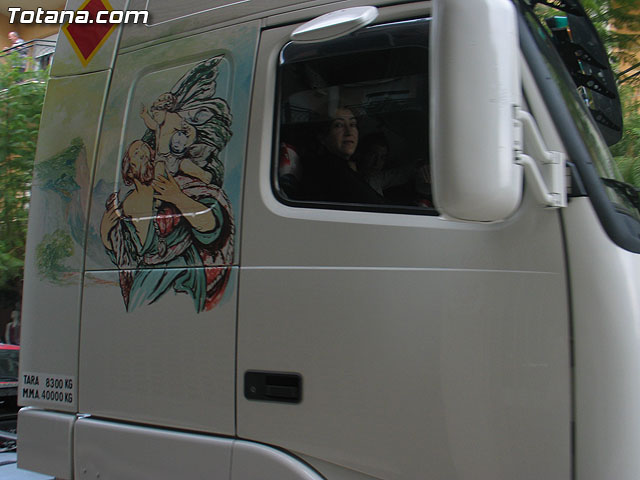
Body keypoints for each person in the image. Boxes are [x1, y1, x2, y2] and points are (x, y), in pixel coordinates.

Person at [100, 140, 234, 312]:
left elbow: (211, 225)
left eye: (147, 152)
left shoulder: (174, 185)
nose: (145, 155)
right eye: (138, 154)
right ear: (129, 170)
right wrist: (105, 234)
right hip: (146, 281)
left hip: (182, 277)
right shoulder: (125, 206)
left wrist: (177, 197)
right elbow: (125, 254)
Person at [302, 106, 383, 204]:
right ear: (322, 137)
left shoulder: (343, 167)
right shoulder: (330, 170)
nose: (349, 132)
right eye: (339, 125)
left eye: (352, 124)